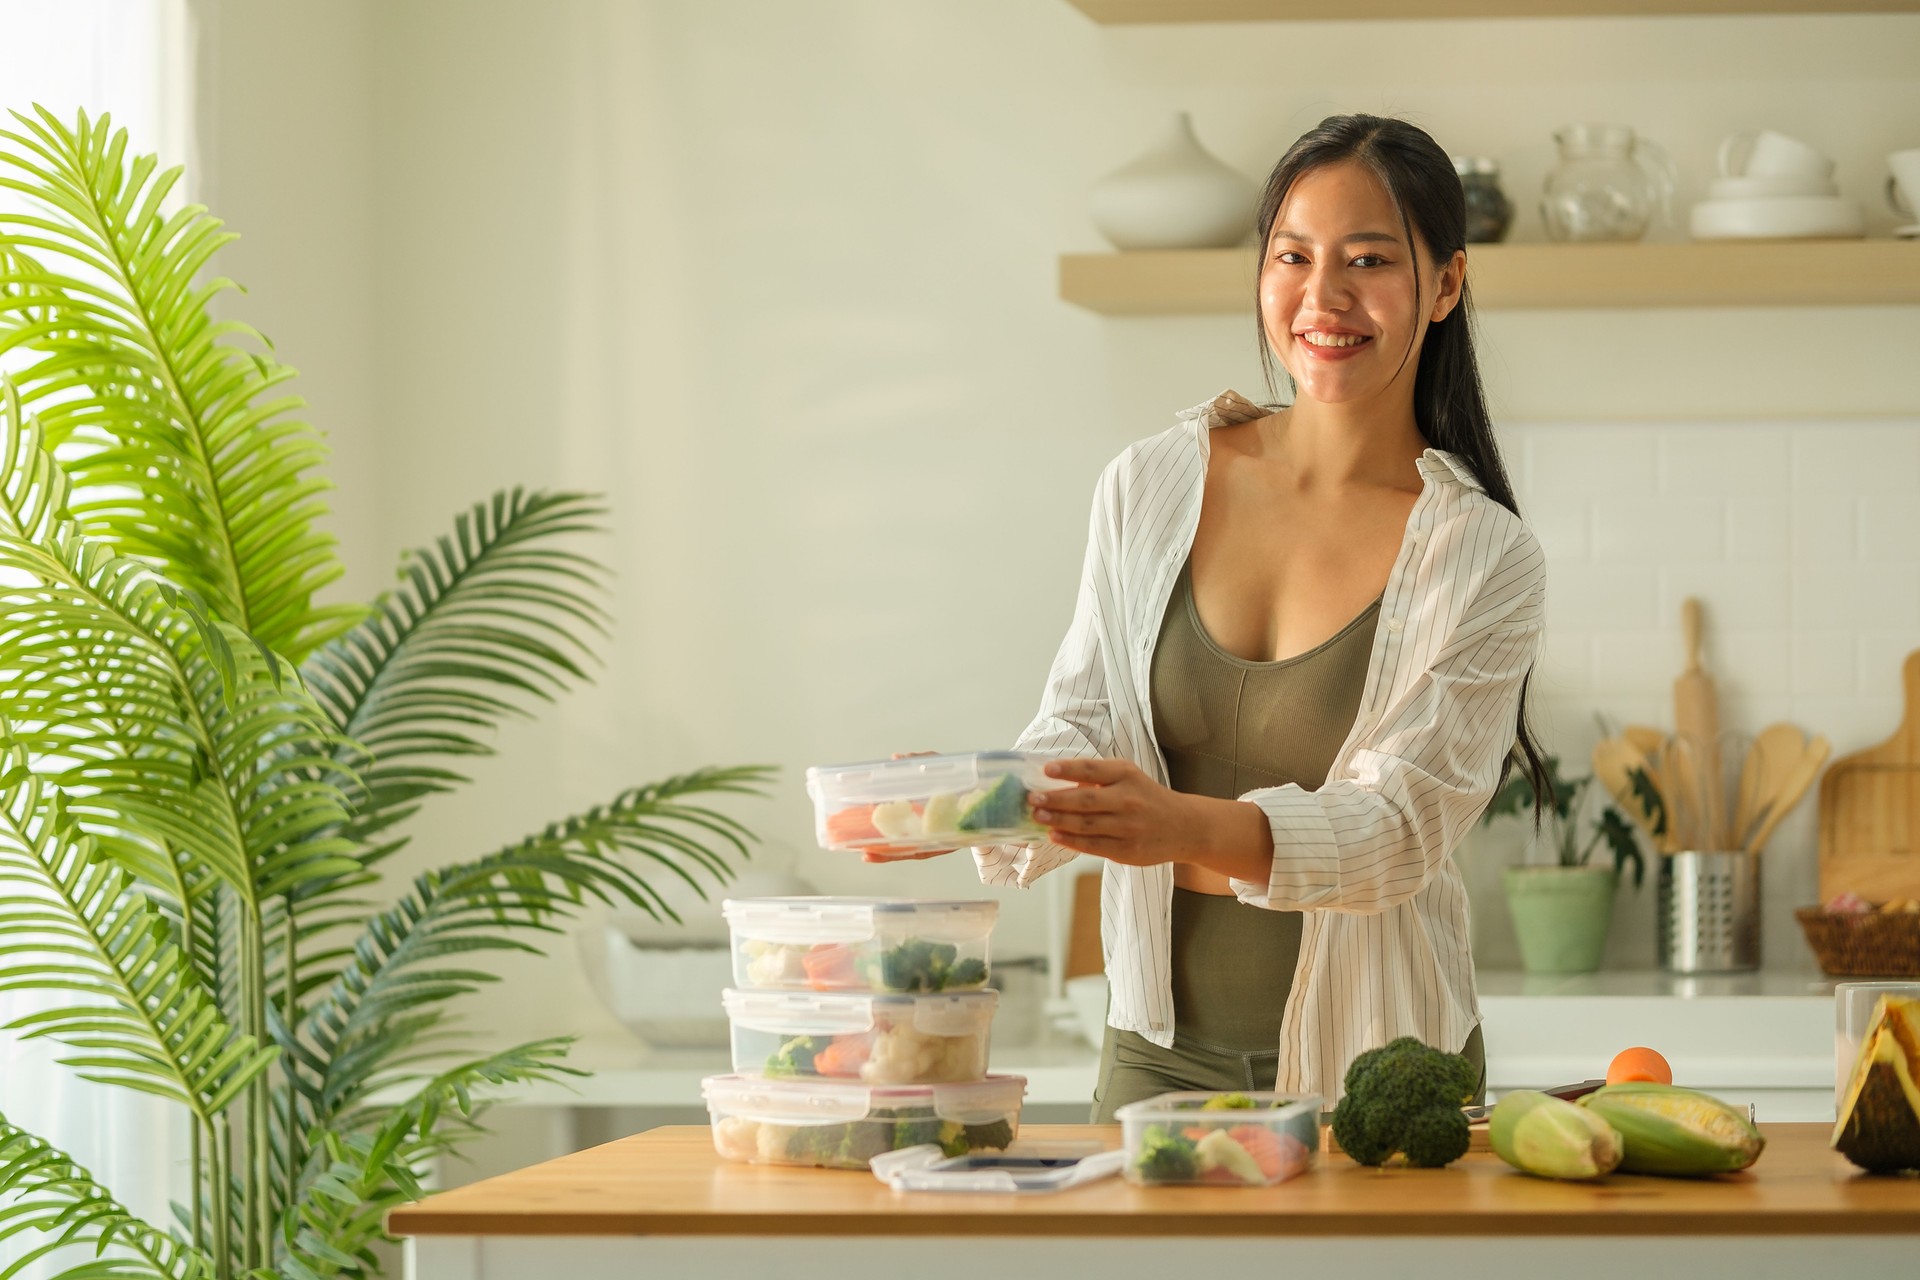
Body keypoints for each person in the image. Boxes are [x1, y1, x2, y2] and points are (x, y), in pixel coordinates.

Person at [872, 113, 1548, 1121]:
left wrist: (1175, 822)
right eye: (1293, 256)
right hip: (1155, 1057)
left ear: (1446, 283)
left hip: (1379, 1070)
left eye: (1368, 260)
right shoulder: (1150, 484)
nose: (1324, 297)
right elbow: (1089, 719)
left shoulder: (1482, 553)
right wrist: (989, 794)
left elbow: (1398, 830)